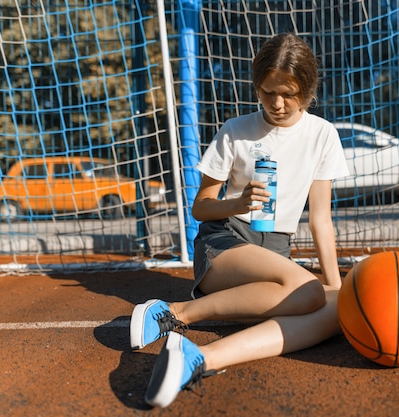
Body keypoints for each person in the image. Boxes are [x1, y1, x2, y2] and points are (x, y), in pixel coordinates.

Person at [129, 32, 350, 408]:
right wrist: (238, 203)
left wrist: (335, 285)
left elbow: (321, 220)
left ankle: (199, 358)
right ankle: (174, 311)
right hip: (225, 244)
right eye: (267, 92)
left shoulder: (323, 134)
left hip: (275, 254)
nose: (277, 103)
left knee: (332, 308)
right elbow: (200, 207)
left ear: (308, 90)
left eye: (289, 93)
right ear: (256, 87)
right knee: (309, 292)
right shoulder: (235, 131)